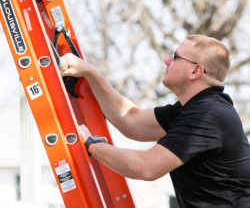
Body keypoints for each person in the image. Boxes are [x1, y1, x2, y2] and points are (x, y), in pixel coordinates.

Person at [60, 34, 250, 208]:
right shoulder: (195, 109)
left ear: (195, 70)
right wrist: (90, 73)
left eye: (175, 57)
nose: (166, 60)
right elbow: (132, 120)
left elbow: (146, 167)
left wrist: (91, 145)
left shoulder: (207, 114)